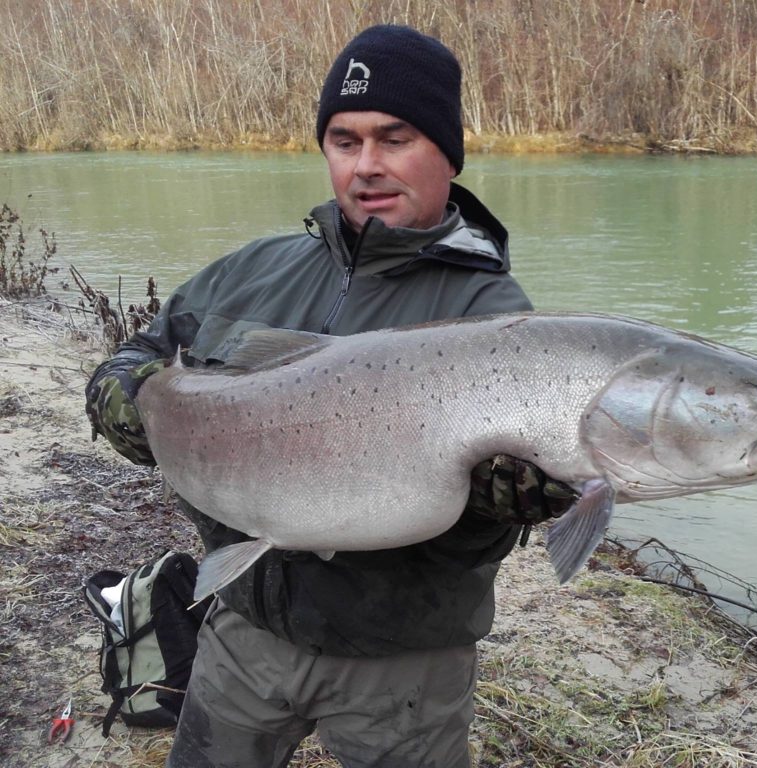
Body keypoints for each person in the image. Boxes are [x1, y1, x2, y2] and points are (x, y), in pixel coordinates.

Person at [85, 24, 577, 768]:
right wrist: (130, 403)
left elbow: (494, 523)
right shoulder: (252, 270)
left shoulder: (497, 318)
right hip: (243, 621)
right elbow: (136, 356)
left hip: (403, 660)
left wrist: (504, 502)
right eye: (344, 141)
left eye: (395, 137)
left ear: (447, 150)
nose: (367, 166)